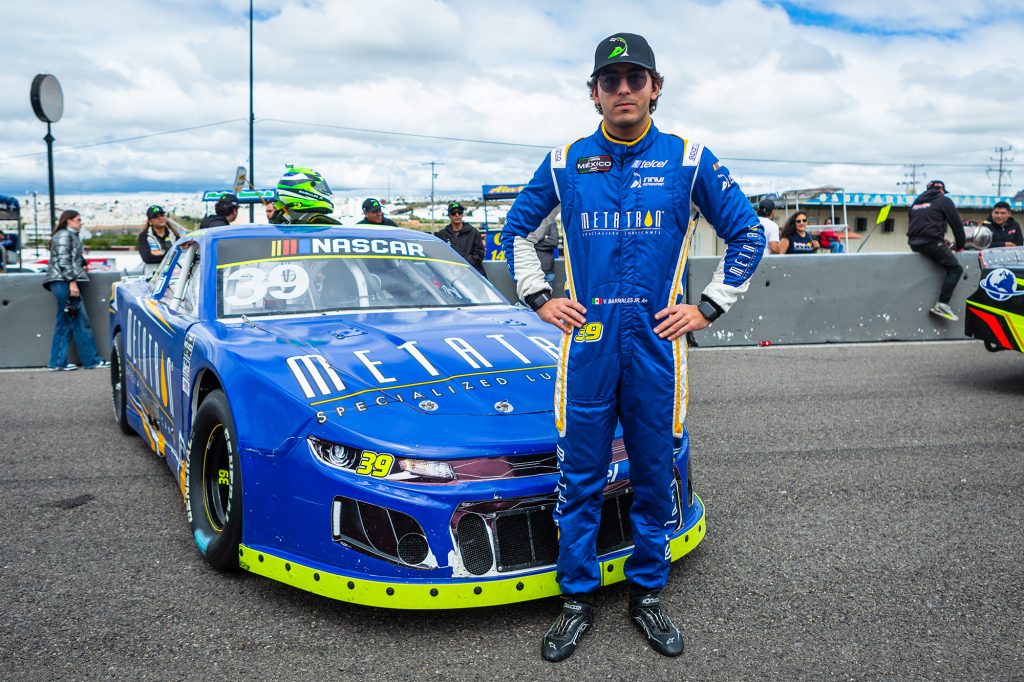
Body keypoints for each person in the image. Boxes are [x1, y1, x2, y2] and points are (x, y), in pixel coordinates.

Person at [500, 32, 764, 662]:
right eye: (610, 80)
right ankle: (576, 600)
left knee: (652, 476)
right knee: (580, 479)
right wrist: (540, 297)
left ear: (655, 88)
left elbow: (748, 235)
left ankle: (647, 593)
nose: (623, 89)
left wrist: (707, 306)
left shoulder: (689, 158)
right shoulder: (565, 160)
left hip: (656, 346)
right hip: (587, 345)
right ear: (593, 93)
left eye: (635, 78)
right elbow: (515, 231)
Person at [41, 210, 109, 371]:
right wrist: (72, 282)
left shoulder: (67, 235)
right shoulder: (65, 235)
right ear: (68, 221)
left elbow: (69, 257)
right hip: (63, 282)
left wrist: (81, 264)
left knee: (66, 323)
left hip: (60, 282)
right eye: (78, 219)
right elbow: (64, 261)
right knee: (79, 322)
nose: (81, 222)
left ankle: (58, 362)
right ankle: (91, 360)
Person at [907, 180, 966, 321]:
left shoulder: (916, 202)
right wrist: (960, 245)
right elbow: (957, 225)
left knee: (938, 252)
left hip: (914, 242)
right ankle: (942, 304)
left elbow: (921, 225)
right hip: (930, 242)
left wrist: (942, 241)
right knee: (955, 269)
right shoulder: (944, 200)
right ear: (942, 190)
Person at [276, 166, 341, 225]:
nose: (323, 190)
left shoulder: (283, 222)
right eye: (319, 186)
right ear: (305, 190)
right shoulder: (321, 221)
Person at [435, 201, 485, 275]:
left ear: (462, 215)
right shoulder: (442, 235)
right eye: (453, 213)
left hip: (473, 274)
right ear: (449, 216)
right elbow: (439, 255)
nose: (457, 215)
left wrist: (463, 263)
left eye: (459, 212)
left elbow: (480, 254)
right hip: (451, 274)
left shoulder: (474, 232)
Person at [137, 205, 181, 274]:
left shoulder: (174, 235)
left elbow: (179, 255)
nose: (160, 218)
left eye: (162, 215)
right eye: (155, 217)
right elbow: (147, 258)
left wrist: (160, 252)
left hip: (173, 274)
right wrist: (169, 254)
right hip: (152, 275)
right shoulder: (144, 236)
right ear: (150, 221)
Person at [526, 207, 560, 282]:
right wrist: (544, 238)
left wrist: (535, 243)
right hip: (531, 271)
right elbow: (526, 241)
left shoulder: (551, 222)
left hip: (547, 271)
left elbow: (554, 242)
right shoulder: (529, 222)